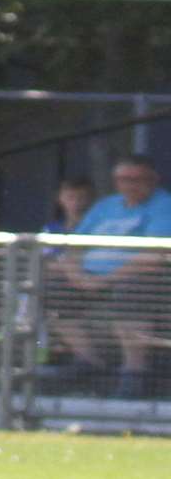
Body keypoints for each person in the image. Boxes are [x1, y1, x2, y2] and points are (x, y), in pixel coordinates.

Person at [51, 155, 171, 399]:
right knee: (52, 291)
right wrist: (76, 275)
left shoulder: (163, 205)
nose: (129, 185)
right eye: (123, 179)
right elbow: (75, 246)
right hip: (90, 277)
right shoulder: (106, 205)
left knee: (131, 292)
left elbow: (155, 255)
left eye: (136, 179)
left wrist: (106, 280)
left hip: (137, 279)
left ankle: (134, 372)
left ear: (153, 179)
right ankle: (89, 360)